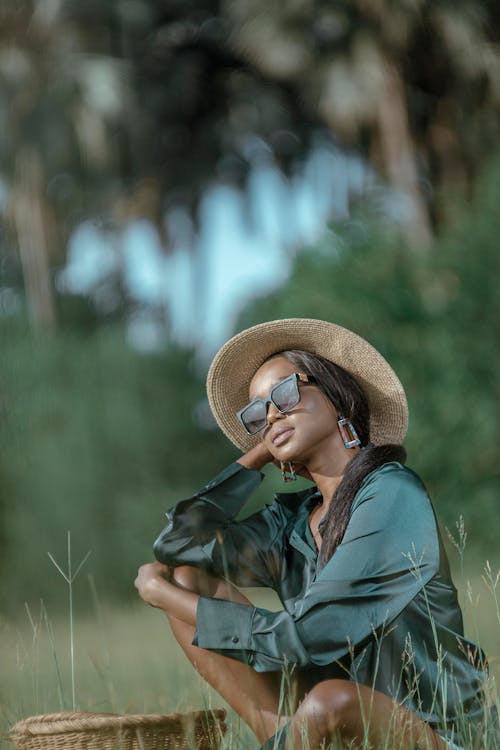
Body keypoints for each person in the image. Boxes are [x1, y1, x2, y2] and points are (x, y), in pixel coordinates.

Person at [134, 318, 489, 749]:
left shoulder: (393, 493)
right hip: (330, 729)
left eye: (284, 393)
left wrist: (161, 596)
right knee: (187, 580)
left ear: (335, 393)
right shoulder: (290, 523)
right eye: (257, 412)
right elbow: (180, 547)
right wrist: (263, 451)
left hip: (439, 737)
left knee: (329, 702)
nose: (271, 414)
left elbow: (303, 638)